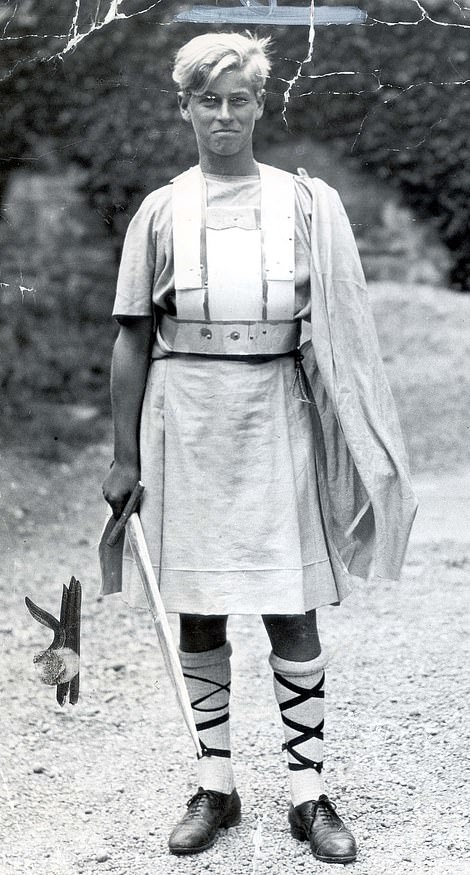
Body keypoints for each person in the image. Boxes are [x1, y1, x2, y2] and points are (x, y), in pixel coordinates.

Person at [102, 32, 417, 864]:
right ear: (186, 107)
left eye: (240, 98)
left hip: (280, 410)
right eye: (209, 99)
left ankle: (308, 794)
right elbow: (133, 337)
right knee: (200, 607)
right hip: (189, 416)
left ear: (261, 104)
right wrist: (124, 455)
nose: (225, 114)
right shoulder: (162, 208)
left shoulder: (303, 203)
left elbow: (343, 331)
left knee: (290, 603)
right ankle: (216, 783)